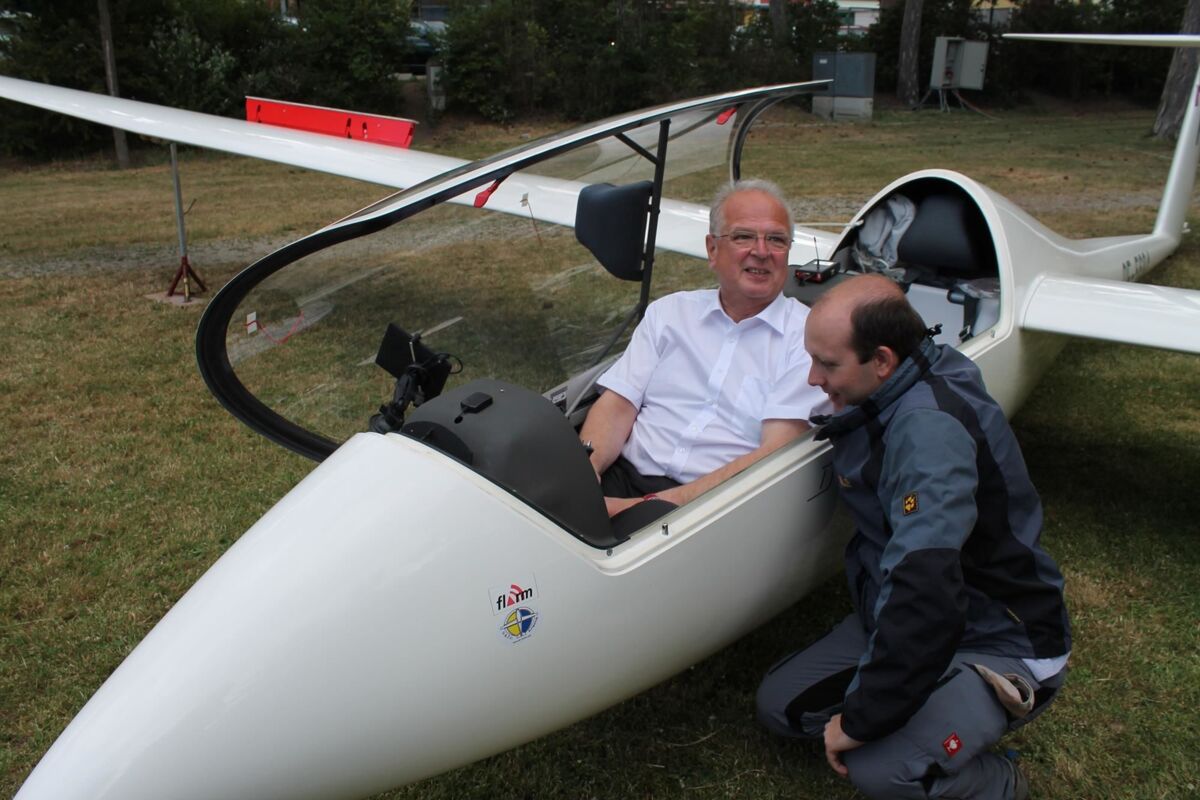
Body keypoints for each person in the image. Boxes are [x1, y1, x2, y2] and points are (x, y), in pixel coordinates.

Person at [756, 274, 1071, 800]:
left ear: (882, 360)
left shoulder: (928, 435)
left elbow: (926, 591)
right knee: (782, 708)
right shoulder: (908, 373)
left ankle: (1002, 782)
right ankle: (926, 706)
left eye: (828, 364)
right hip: (910, 611)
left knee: (882, 770)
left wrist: (860, 720)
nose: (813, 378)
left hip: (997, 636)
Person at [577, 179, 829, 518]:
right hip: (620, 476)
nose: (761, 251)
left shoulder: (809, 339)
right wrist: (584, 475)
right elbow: (619, 404)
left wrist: (640, 508)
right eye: (743, 237)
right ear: (712, 249)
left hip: (712, 507)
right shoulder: (670, 313)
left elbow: (772, 457)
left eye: (776, 239)